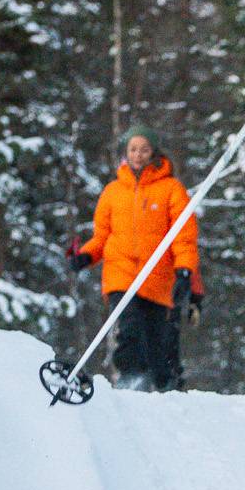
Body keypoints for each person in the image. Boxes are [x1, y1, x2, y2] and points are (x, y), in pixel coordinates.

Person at [66, 122, 200, 392]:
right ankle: (130, 377)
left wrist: (184, 270)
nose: (138, 155)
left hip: (158, 277)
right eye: (133, 149)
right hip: (122, 275)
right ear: (126, 153)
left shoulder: (171, 189)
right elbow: (102, 236)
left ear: (154, 153)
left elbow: (184, 237)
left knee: (157, 338)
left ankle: (164, 386)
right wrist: (86, 256)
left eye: (144, 149)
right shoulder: (113, 192)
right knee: (129, 327)